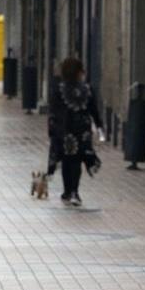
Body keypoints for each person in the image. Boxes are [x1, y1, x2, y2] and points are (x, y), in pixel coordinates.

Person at [47, 57, 104, 207]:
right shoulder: (87, 88)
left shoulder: (59, 89)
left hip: (65, 130)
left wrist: (52, 129)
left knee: (67, 160)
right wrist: (99, 126)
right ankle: (74, 192)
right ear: (79, 71)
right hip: (82, 131)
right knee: (78, 161)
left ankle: (68, 191)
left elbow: (53, 111)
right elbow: (94, 110)